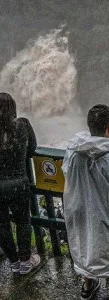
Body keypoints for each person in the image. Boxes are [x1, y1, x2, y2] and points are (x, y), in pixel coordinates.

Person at [62, 105, 109, 300]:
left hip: (82, 211)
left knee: (86, 244)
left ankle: (88, 286)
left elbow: (67, 174)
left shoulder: (74, 151)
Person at [0, 93, 40, 275]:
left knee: (2, 224)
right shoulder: (23, 125)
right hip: (20, 183)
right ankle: (25, 261)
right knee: (23, 221)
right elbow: (32, 148)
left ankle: (14, 262)